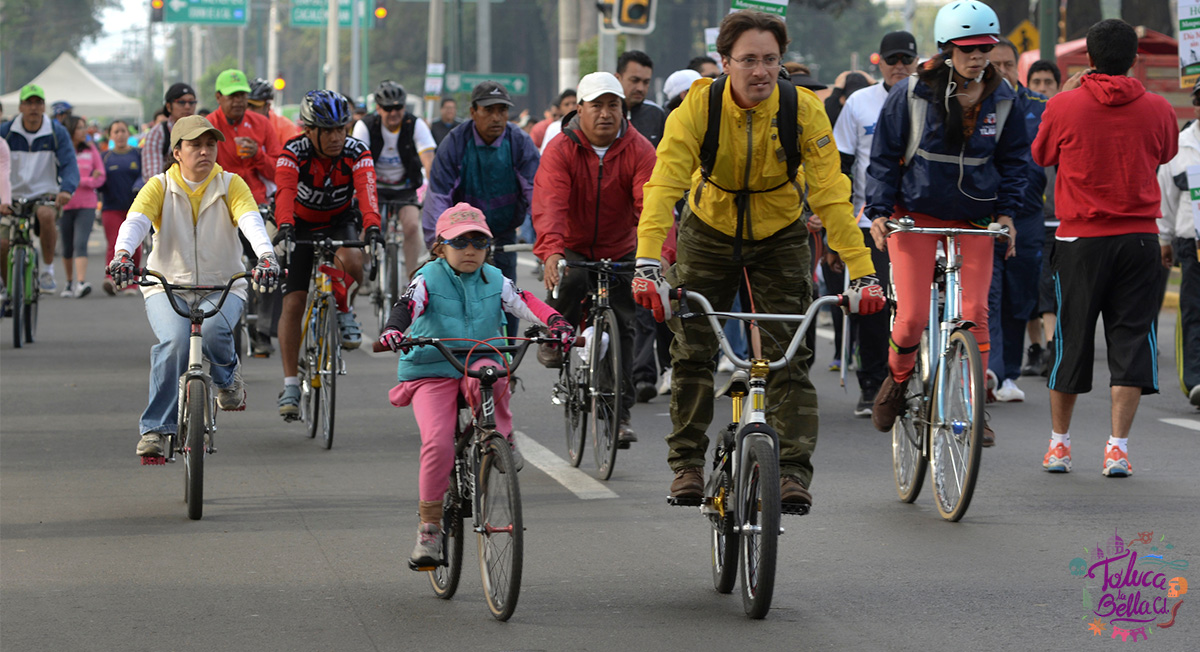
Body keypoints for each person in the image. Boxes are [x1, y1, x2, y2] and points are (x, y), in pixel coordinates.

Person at [634, 10, 886, 506]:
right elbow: (663, 184)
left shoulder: (803, 108)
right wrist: (646, 261)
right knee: (692, 350)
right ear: (724, 63)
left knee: (789, 357)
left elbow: (832, 195)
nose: (761, 72)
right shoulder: (698, 107)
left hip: (781, 235)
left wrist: (863, 273)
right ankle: (686, 463)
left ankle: (791, 473)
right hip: (708, 231)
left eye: (770, 60)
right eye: (748, 60)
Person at [866, 0, 1029, 448]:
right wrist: (879, 212)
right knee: (914, 315)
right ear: (946, 49)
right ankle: (897, 382)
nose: (978, 57)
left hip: (975, 218)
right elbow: (883, 158)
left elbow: (1016, 163)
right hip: (914, 215)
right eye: (968, 48)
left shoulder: (1004, 97)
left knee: (976, 313)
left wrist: (1007, 215)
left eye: (985, 48)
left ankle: (975, 407)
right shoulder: (911, 93)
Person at [378, 203, 572, 566]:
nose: (470, 250)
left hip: (477, 357)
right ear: (439, 248)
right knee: (437, 442)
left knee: (494, 375)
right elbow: (408, 305)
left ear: (488, 247)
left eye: (479, 242)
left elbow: (527, 303)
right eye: (460, 242)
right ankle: (430, 531)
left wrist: (557, 323)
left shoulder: (496, 279)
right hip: (431, 366)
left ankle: (501, 439)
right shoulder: (426, 278)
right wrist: (394, 330)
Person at [1032, 18, 1178, 476]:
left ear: (1089, 59)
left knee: (1071, 340)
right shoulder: (1157, 108)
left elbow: (1041, 156)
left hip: (1080, 238)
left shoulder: (1063, 105)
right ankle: (1117, 448)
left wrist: (1067, 96)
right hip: (1138, 239)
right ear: (1135, 59)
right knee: (1132, 341)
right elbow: (1167, 153)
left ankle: (1060, 445)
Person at [105, 115, 280, 458]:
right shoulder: (158, 186)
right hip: (166, 286)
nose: (204, 151)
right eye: (195, 145)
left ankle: (228, 379)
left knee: (215, 332)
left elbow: (251, 222)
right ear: (176, 152)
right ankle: (156, 428)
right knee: (173, 342)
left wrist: (266, 257)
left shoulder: (232, 184)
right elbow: (135, 222)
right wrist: (123, 254)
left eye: (210, 144)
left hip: (222, 285)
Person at [533, 71, 657, 447]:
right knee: (569, 282)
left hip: (621, 247)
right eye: (597, 105)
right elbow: (550, 204)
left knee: (624, 324)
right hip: (572, 245)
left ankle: (617, 415)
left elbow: (651, 207)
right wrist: (552, 250)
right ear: (580, 110)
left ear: (623, 111)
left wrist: (656, 257)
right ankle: (558, 337)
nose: (605, 114)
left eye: (613, 106)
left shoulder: (639, 149)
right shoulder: (560, 148)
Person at [274, 90, 382, 418]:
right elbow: (285, 191)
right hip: (302, 225)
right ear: (310, 131)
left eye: (342, 128)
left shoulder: (356, 151)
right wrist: (284, 225)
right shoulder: (293, 152)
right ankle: (291, 383)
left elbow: (366, 190)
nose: (337, 137)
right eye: (329, 130)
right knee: (293, 303)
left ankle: (345, 308)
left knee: (352, 259)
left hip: (340, 220)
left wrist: (372, 225)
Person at [832, 30, 919, 417]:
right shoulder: (859, 103)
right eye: (892, 60)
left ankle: (908, 381)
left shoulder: (928, 97)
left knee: (913, 307)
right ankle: (871, 383)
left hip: (916, 220)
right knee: (873, 303)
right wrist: (839, 224)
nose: (899, 67)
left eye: (906, 60)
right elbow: (843, 165)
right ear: (878, 62)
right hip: (870, 221)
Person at [422, 81, 540, 337]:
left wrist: (547, 237)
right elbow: (439, 197)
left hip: (503, 233)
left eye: (502, 110)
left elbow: (537, 194)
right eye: (489, 110)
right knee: (455, 301)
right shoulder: (455, 143)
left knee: (509, 300)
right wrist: (437, 243)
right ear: (474, 111)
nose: (496, 117)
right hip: (462, 237)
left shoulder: (519, 142)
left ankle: (507, 362)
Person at [983, 38, 1049, 404]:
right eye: (997, 65)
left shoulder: (1038, 106)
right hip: (985, 214)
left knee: (1019, 296)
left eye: (1009, 64)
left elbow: (1040, 161)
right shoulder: (979, 102)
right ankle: (990, 370)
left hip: (1026, 214)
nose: (1003, 71)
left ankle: (1009, 372)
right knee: (987, 294)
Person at [352, 81, 435, 278]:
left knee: (412, 226)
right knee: (369, 227)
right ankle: (365, 270)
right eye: (388, 108)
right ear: (378, 108)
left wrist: (433, 191)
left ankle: (410, 279)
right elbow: (355, 163)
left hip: (405, 186)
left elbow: (429, 161)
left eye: (398, 107)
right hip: (373, 186)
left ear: (404, 107)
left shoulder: (416, 125)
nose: (393, 113)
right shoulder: (365, 126)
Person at [1, 84, 78, 295]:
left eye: (38, 103)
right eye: (28, 103)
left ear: (44, 107)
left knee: (46, 215)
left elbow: (70, 164)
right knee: (3, 242)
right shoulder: (6, 133)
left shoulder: (56, 132)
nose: (33, 108)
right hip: (11, 195)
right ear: (20, 107)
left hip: (45, 194)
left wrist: (66, 189)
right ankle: (7, 288)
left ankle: (47, 270)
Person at [1157, 79, 1200, 409]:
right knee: (1193, 310)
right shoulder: (1181, 146)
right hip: (1191, 243)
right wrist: (1164, 238)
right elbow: (1166, 198)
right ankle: (1195, 380)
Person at [1025, 59, 1063, 377]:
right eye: (1035, 82)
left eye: (1048, 82)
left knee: (1048, 287)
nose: (1041, 88)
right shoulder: (1023, 121)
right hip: (1029, 217)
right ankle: (1037, 347)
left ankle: (1053, 347)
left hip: (1060, 220)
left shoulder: (1067, 118)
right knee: (1029, 288)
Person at [206, 69, 282, 205]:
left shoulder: (262, 123)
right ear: (218, 97)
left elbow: (279, 172)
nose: (238, 101)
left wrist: (258, 154)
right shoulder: (208, 125)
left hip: (257, 202)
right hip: (221, 202)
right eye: (232, 96)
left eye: (242, 95)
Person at [58, 116, 105, 298]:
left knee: (80, 243)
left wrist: (78, 180)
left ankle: (81, 282)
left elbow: (100, 177)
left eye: (84, 127)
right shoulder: (61, 150)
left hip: (87, 205)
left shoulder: (91, 149)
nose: (84, 131)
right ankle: (69, 283)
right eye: (79, 128)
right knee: (67, 246)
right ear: (70, 130)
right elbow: (58, 176)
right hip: (64, 204)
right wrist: (86, 179)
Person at [98, 120, 143, 296]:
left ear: (128, 133)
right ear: (111, 136)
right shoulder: (105, 157)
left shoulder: (138, 154)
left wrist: (138, 186)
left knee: (135, 245)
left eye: (123, 131)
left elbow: (144, 175)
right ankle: (111, 278)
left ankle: (131, 282)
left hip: (135, 208)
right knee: (114, 243)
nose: (120, 135)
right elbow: (98, 180)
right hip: (111, 208)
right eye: (116, 132)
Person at [142, 83, 198, 183]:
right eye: (181, 102)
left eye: (191, 102)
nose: (187, 107)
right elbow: (154, 177)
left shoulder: (201, 131)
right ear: (168, 106)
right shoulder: (157, 133)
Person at [615, 50, 667, 149]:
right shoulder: (603, 114)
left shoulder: (657, 115)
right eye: (635, 80)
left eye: (646, 82)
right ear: (618, 78)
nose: (641, 88)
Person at [247, 77, 300, 146]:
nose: (249, 111)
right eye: (247, 105)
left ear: (268, 107)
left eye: (255, 106)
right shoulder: (237, 124)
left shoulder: (285, 127)